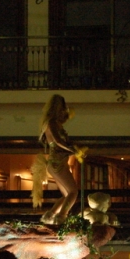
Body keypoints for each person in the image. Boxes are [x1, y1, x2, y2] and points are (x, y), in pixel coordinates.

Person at [31, 94, 87, 225]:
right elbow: (58, 140)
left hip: (58, 162)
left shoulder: (53, 123)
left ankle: (50, 216)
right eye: (62, 108)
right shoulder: (51, 123)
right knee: (73, 192)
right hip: (57, 162)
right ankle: (62, 217)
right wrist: (73, 150)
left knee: (67, 194)